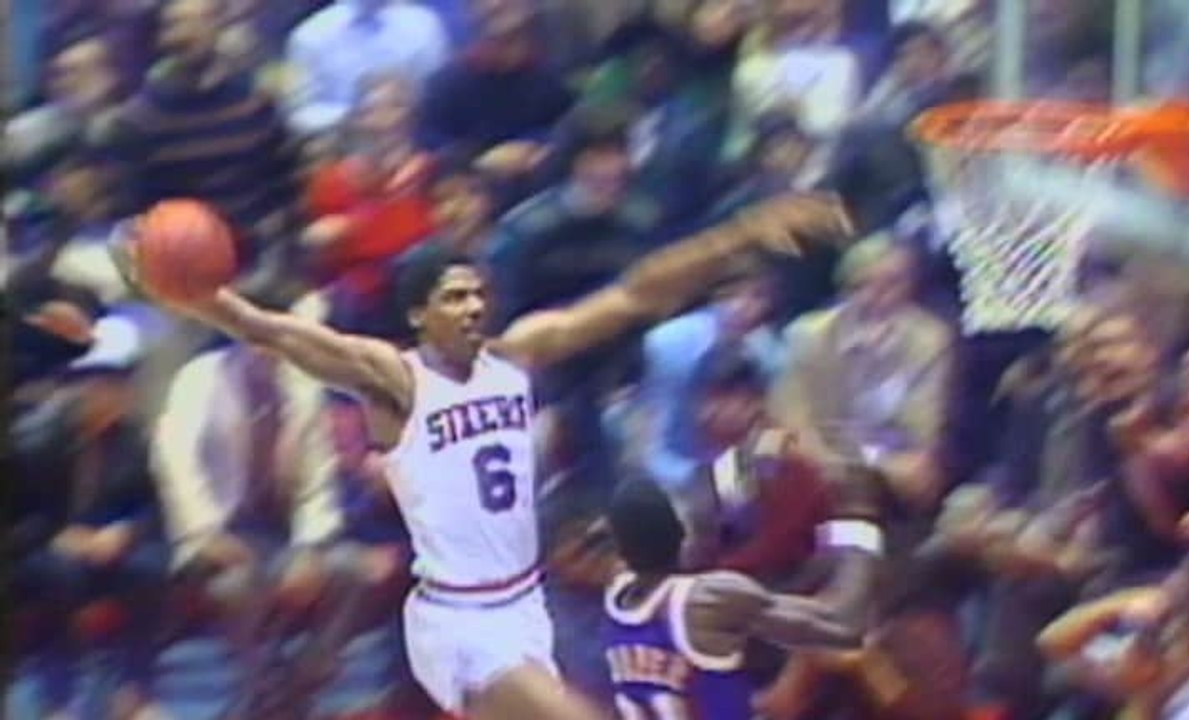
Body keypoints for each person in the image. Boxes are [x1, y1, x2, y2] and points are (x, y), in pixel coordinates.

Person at [118, 192, 851, 720]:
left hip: (526, 603)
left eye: (477, 294)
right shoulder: (392, 378)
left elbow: (635, 295)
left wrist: (742, 233)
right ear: (416, 315)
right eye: (452, 297)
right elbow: (276, 333)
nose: (472, 308)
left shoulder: (517, 356)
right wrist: (198, 298)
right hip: (458, 619)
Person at [603, 474, 880, 720]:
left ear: (620, 550)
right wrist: (859, 526)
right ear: (680, 531)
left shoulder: (615, 604)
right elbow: (843, 626)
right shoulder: (708, 599)